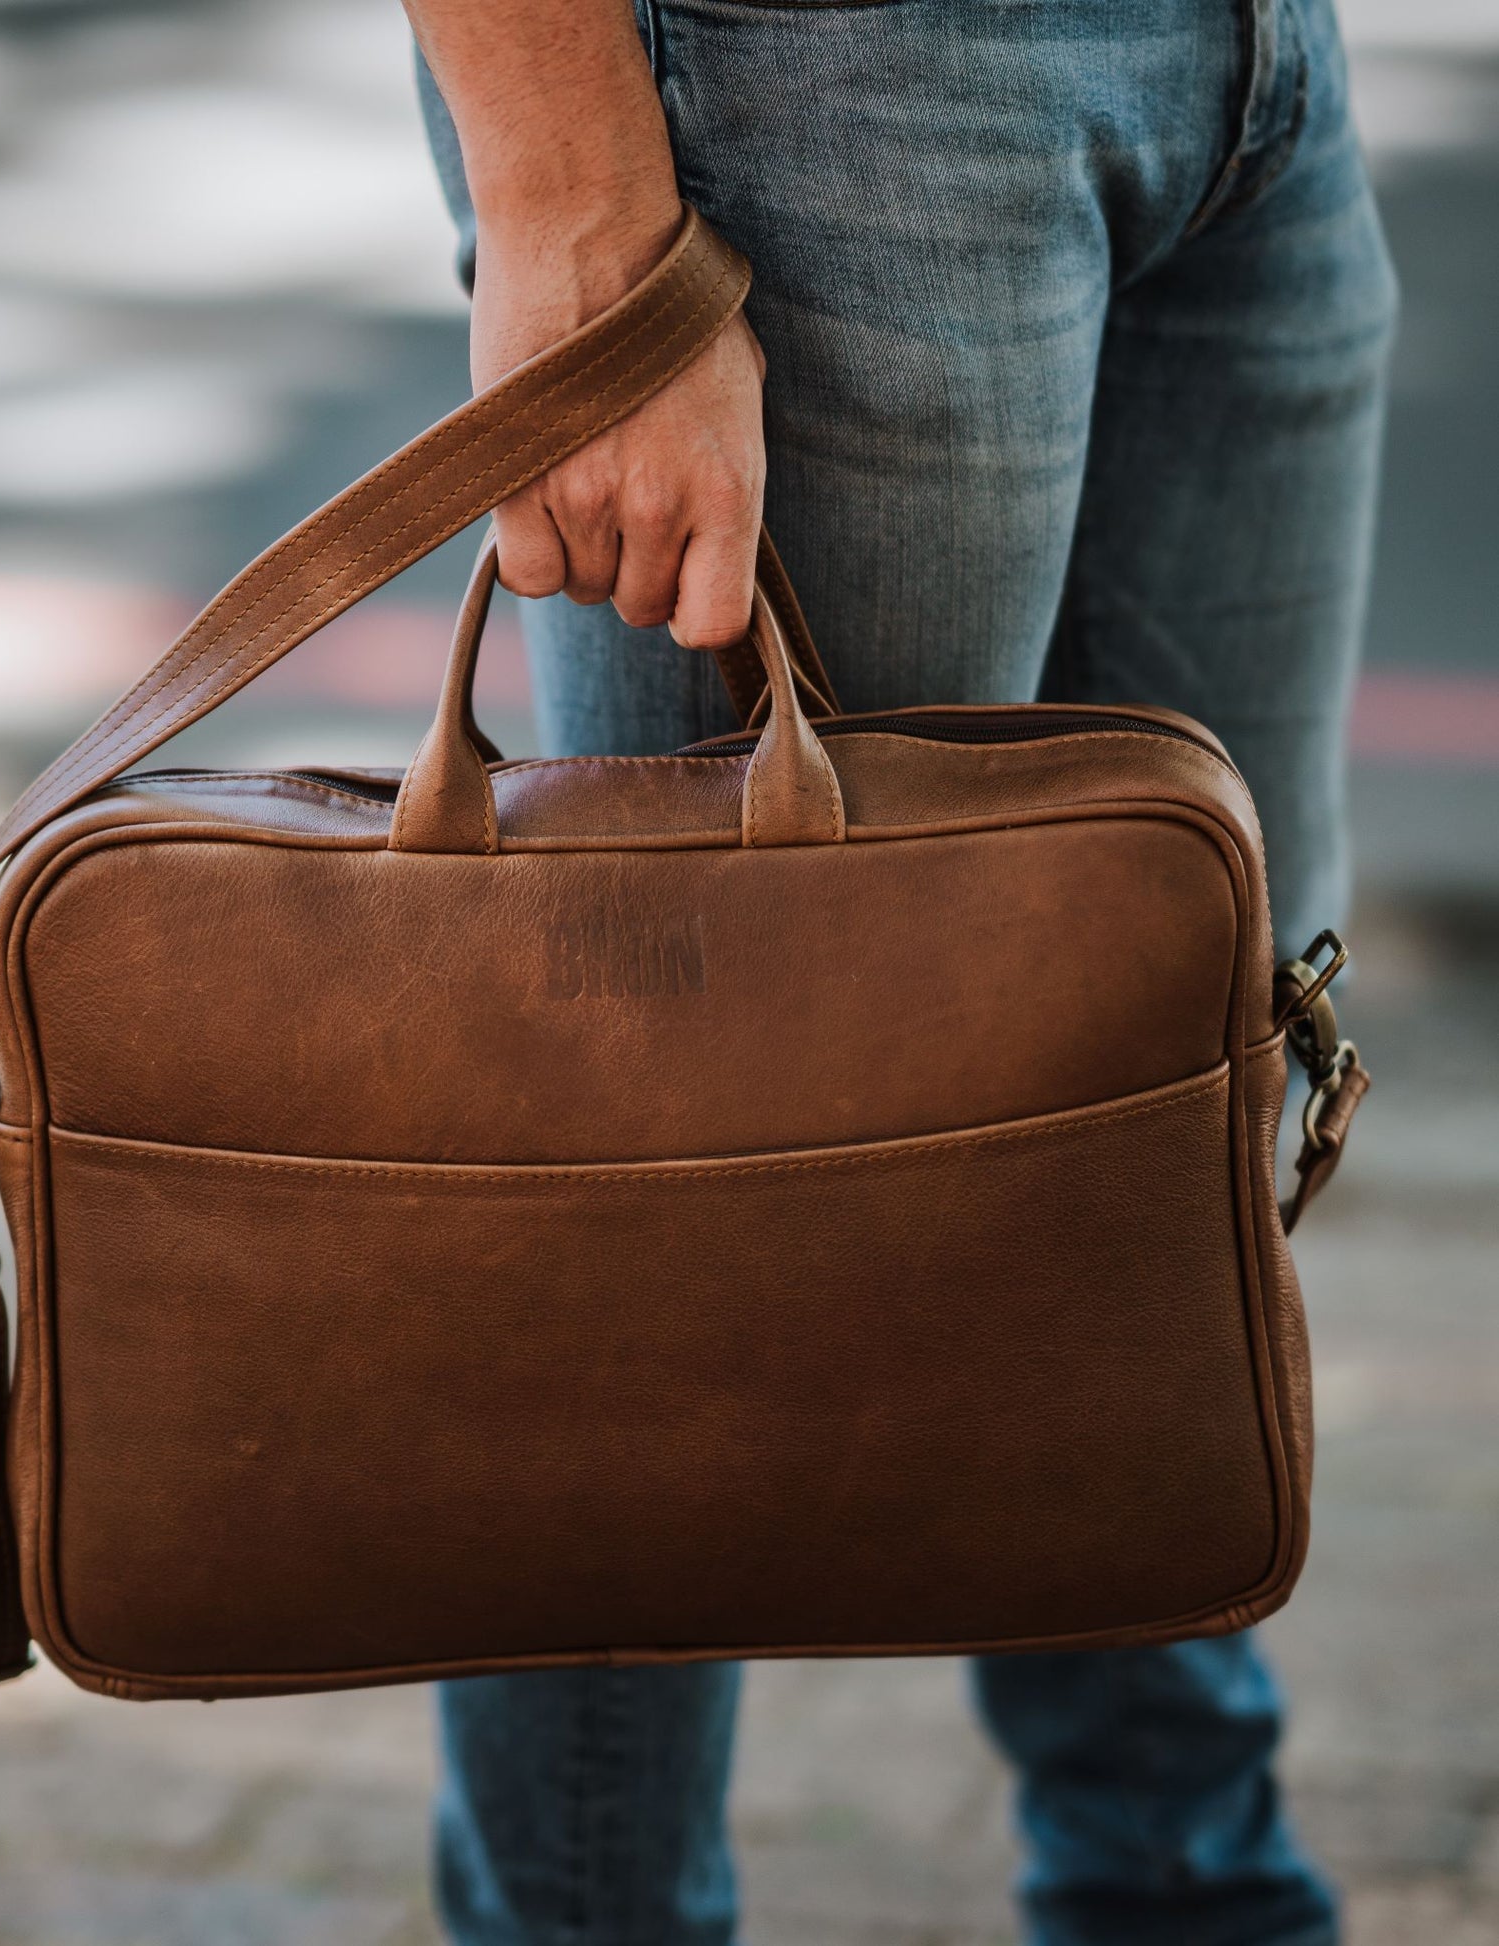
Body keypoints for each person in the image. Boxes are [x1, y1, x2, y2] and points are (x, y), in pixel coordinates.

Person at [401, 1, 1396, 1941]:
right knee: (662, 1211)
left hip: (1257, 72)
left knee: (1165, 1081)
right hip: (821, 86)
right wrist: (567, 190)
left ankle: (1179, 1888)